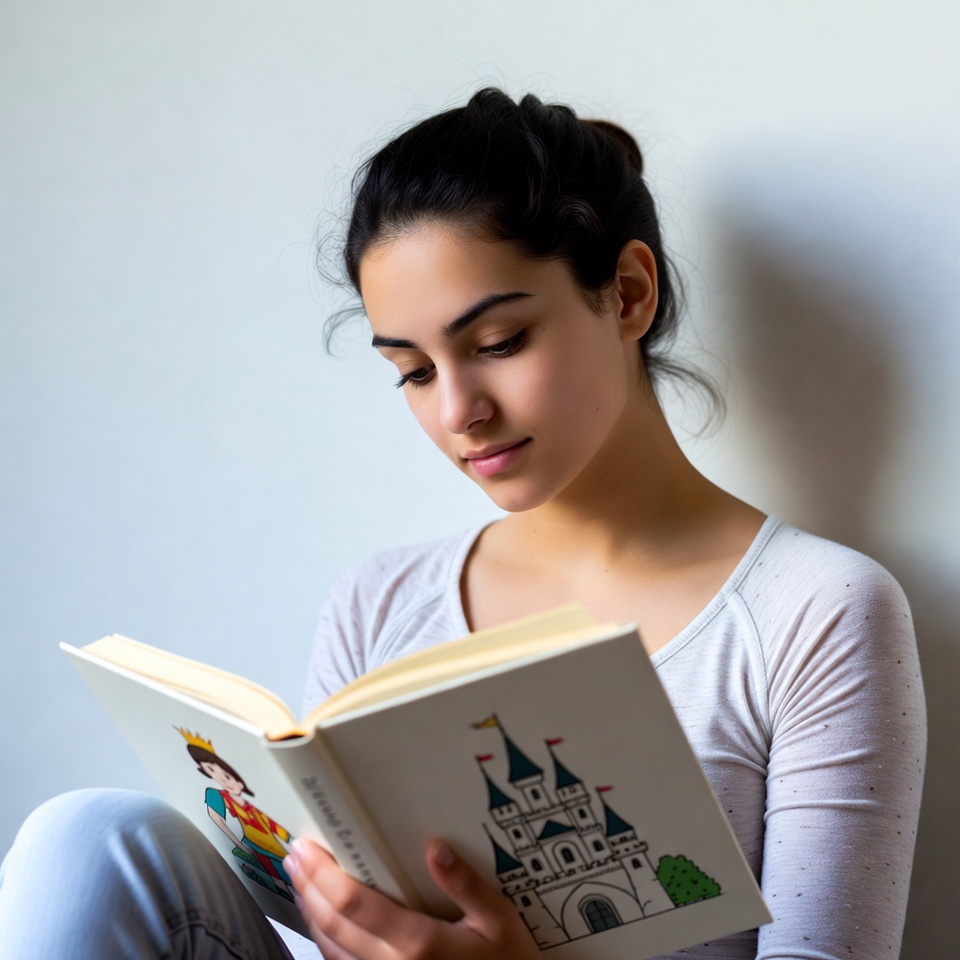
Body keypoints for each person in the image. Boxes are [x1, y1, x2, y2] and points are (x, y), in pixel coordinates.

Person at [0, 88, 925, 960]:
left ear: (630, 294)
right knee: (90, 838)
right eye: (412, 370)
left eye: (498, 344)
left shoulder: (815, 610)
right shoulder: (381, 603)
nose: (458, 412)